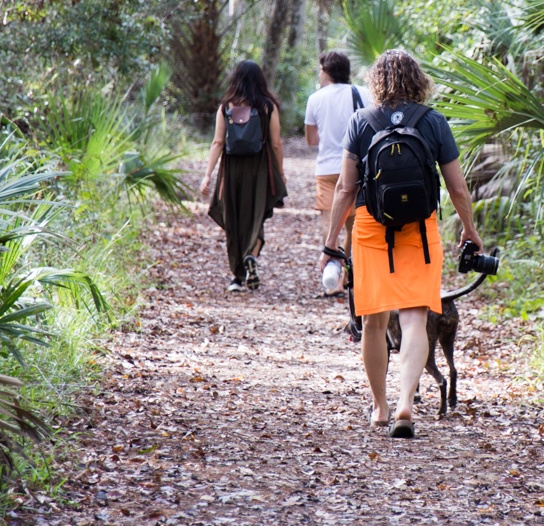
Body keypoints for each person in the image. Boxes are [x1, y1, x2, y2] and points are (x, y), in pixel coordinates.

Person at [318, 50, 483, 438]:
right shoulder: (434, 122)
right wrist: (471, 231)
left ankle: (380, 407)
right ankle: (406, 404)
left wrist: (330, 243)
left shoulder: (361, 121)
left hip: (371, 230)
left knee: (374, 322)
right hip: (421, 232)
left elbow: (345, 188)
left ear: (377, 82)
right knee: (413, 318)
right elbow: (457, 188)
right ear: (418, 81)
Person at [201, 60, 287, 292]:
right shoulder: (268, 107)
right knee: (256, 214)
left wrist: (208, 175)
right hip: (258, 169)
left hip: (231, 170)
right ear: (260, 80)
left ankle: (237, 277)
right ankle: (251, 255)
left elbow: (218, 142)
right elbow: (276, 144)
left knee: (234, 218)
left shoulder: (226, 107)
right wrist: (280, 172)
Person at [304, 51, 373, 295]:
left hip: (326, 168)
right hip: (358, 168)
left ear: (328, 71)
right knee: (354, 226)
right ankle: (347, 276)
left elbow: (311, 140)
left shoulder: (316, 99)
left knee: (328, 223)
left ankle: (331, 277)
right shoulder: (364, 93)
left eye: (321, 69)